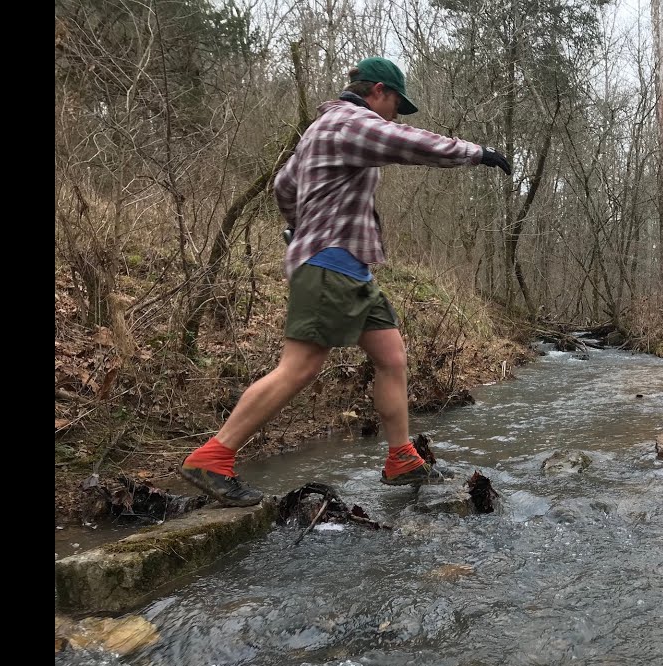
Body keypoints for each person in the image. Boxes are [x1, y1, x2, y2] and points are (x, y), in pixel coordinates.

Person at [179, 57, 512, 507]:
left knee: (392, 356)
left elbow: (284, 185)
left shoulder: (319, 131)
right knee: (300, 366)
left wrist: (301, 224)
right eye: (396, 102)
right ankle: (213, 457)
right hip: (329, 264)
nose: (395, 112)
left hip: (350, 265)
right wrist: (478, 153)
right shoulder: (350, 123)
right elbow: (407, 142)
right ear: (378, 91)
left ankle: (401, 458)